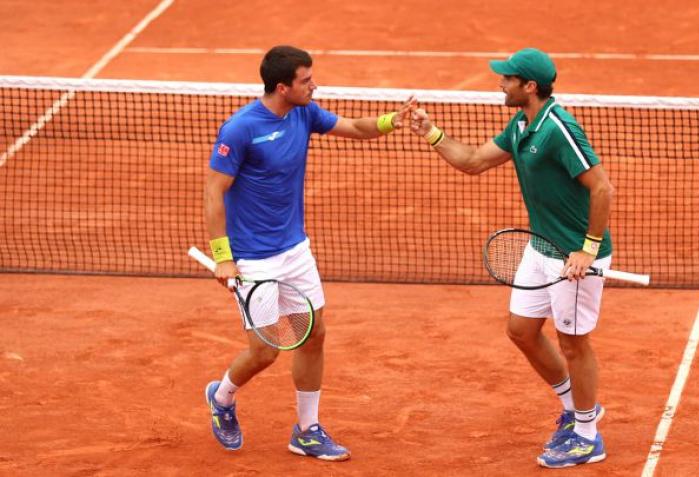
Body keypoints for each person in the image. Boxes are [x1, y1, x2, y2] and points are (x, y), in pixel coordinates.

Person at [203, 45, 413, 461]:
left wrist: (394, 120)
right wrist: (223, 256)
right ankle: (223, 396)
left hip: (295, 250)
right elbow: (214, 190)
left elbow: (355, 127)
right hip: (253, 259)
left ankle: (307, 429)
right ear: (283, 87)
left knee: (313, 335)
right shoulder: (240, 129)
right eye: (306, 80)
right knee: (265, 350)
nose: (314, 85)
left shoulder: (305, 112)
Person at [409, 48, 614, 468]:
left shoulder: (558, 128)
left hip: (573, 259)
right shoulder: (522, 124)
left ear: (530, 86)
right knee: (521, 330)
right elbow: (473, 162)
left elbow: (602, 188)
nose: (500, 83)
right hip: (540, 249)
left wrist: (587, 248)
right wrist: (432, 133)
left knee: (573, 344)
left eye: (508, 79)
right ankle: (576, 408)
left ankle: (588, 436)